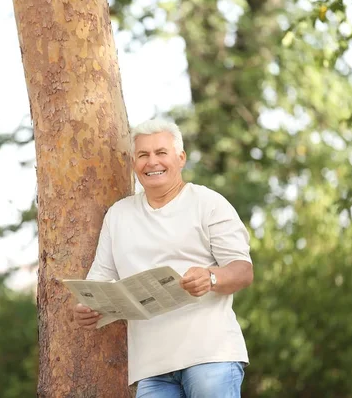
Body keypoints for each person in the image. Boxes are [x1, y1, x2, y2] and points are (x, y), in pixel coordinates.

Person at [73, 118, 253, 398]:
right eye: (143, 155)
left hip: (210, 356)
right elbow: (101, 277)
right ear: (134, 163)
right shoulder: (118, 215)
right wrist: (88, 307)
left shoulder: (208, 203)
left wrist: (211, 277)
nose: (152, 162)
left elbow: (243, 270)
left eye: (161, 153)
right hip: (151, 369)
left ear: (180, 158)